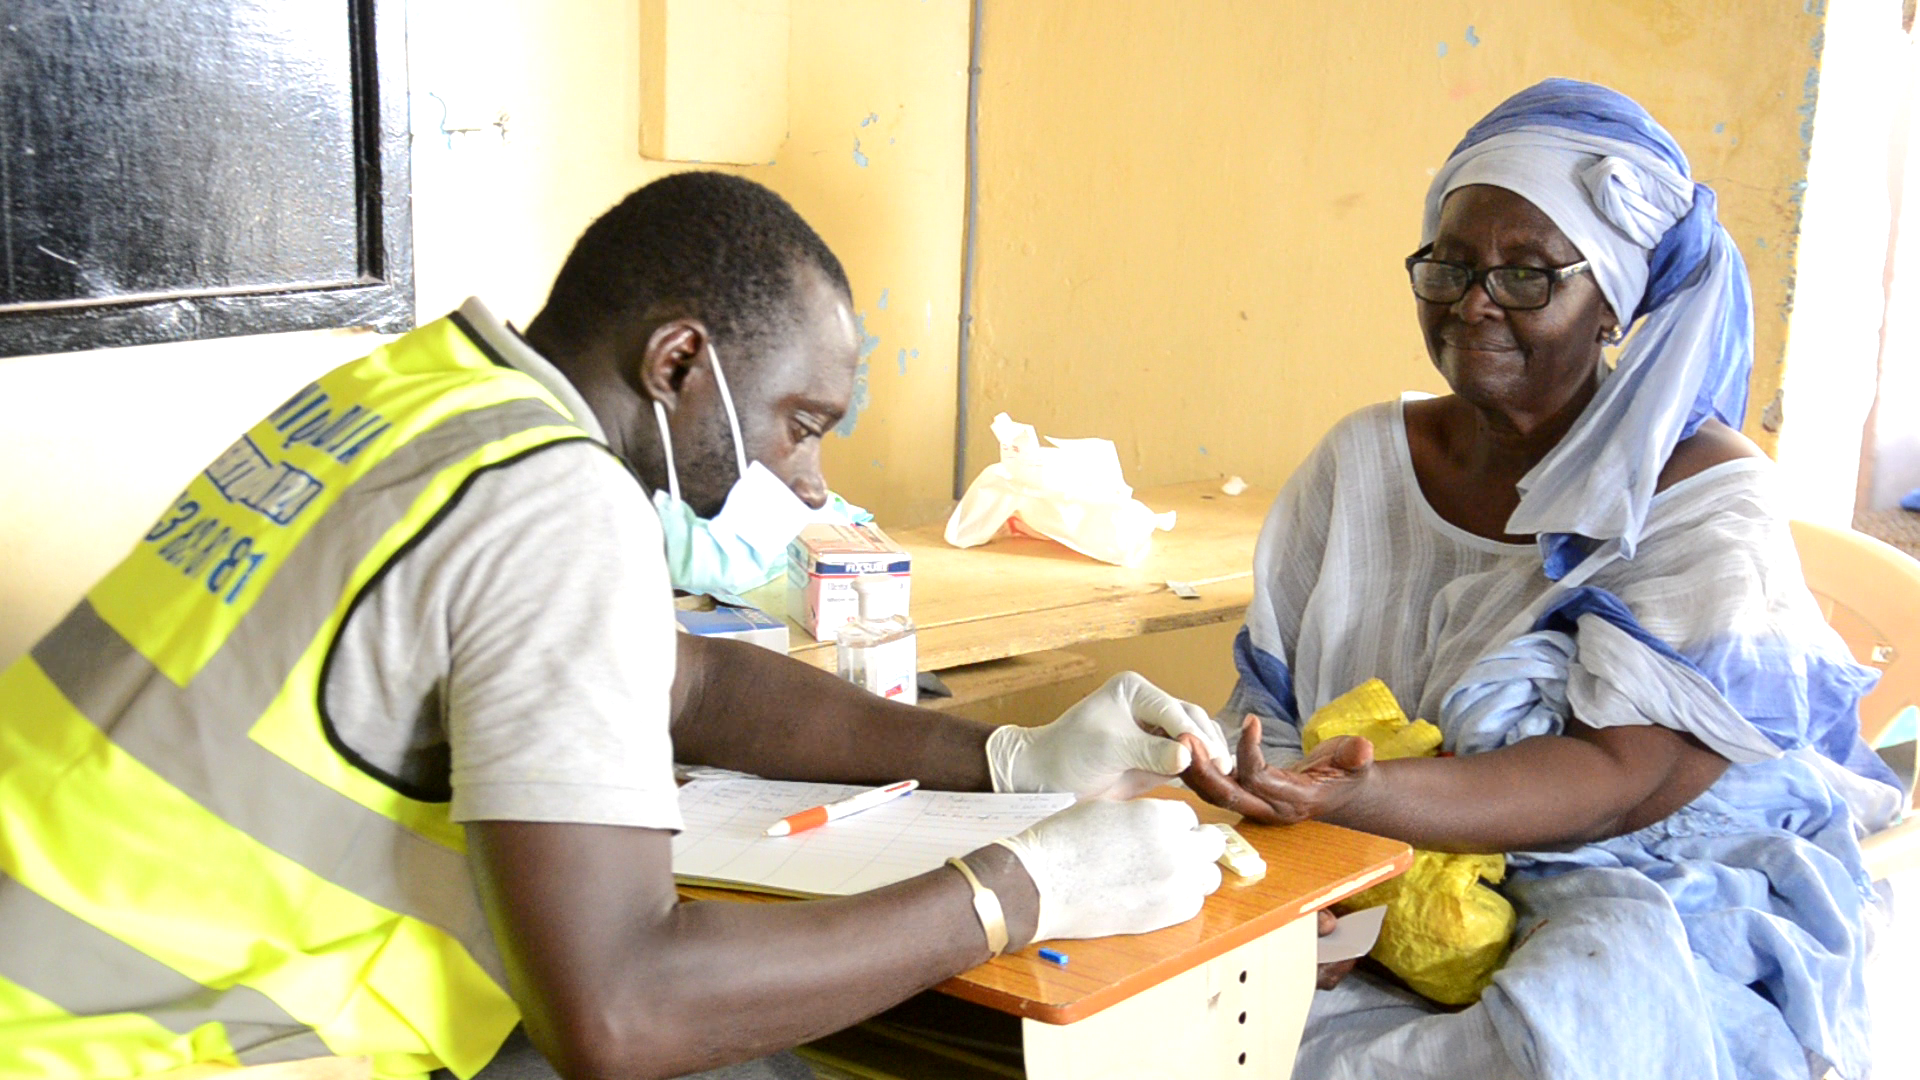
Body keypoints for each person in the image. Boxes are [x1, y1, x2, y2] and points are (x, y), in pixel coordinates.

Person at [0, 171, 1234, 1080]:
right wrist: (1024, 885)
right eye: (802, 423)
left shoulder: (424, 393)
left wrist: (1005, 759)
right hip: (144, 1047)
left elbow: (687, 685)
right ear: (680, 362)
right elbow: (621, 1014)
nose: (808, 482)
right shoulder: (555, 499)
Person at [1182, 80, 1904, 1080]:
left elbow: (1619, 784)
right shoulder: (1357, 464)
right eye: (1450, 264)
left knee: (1595, 1012)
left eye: (1528, 274)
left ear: (1610, 300)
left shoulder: (1699, 492)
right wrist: (1313, 875)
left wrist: (1364, 801)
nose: (1473, 302)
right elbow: (1276, 710)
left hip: (1638, 870)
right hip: (1377, 862)